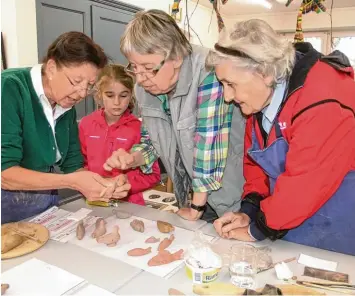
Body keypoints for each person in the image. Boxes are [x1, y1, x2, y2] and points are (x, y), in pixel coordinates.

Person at [209, 19, 355, 255]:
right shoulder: (260, 100)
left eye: (231, 84)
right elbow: (254, 163)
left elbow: (305, 182)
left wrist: (258, 228)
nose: (227, 96)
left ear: (264, 72)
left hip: (338, 229)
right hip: (289, 219)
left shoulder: (323, 96)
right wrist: (250, 210)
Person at [104, 9, 245, 222]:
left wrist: (196, 208)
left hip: (230, 197)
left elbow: (208, 148)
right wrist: (132, 158)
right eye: (134, 67)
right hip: (190, 196)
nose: (140, 79)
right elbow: (152, 140)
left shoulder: (209, 72)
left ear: (176, 57)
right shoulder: (146, 85)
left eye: (149, 68)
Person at [1, 32, 131, 224]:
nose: (82, 93)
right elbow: (5, 174)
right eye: (76, 82)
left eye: (90, 85)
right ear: (52, 68)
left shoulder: (65, 104)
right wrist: (71, 181)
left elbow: (73, 165)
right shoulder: (10, 87)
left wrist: (104, 185)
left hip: (43, 201)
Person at [79, 64, 161, 205]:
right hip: (95, 201)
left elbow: (153, 175)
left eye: (123, 95)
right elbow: (81, 165)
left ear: (131, 95)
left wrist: (127, 184)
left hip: (131, 203)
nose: (117, 102)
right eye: (110, 95)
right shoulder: (86, 124)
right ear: (99, 94)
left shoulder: (140, 128)